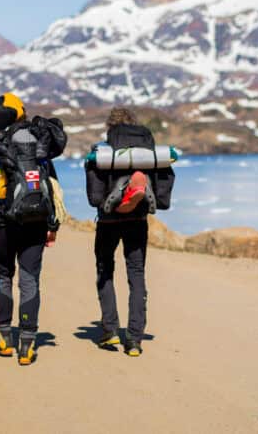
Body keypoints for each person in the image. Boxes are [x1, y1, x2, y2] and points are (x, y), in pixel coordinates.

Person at [0, 94, 64, 366]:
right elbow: (52, 191)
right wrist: (52, 226)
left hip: (3, 225)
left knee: (3, 276)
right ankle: (27, 345)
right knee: (30, 280)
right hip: (36, 224)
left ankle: (3, 338)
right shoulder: (41, 151)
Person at [85, 107, 174, 357]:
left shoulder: (103, 151)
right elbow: (163, 183)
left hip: (109, 221)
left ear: (110, 127)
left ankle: (110, 331)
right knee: (136, 274)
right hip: (138, 219)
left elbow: (93, 196)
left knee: (105, 270)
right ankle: (134, 339)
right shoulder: (147, 153)